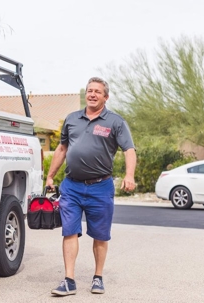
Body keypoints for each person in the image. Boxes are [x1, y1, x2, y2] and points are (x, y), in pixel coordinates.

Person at [46, 76, 137, 296]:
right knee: (69, 232)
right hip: (71, 187)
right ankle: (69, 280)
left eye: (97, 91)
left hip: (101, 187)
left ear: (106, 97)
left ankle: (97, 277)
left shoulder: (115, 121)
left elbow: (129, 150)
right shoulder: (72, 119)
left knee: (100, 235)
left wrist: (130, 175)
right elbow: (61, 149)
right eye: (89, 90)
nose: (92, 94)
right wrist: (50, 176)